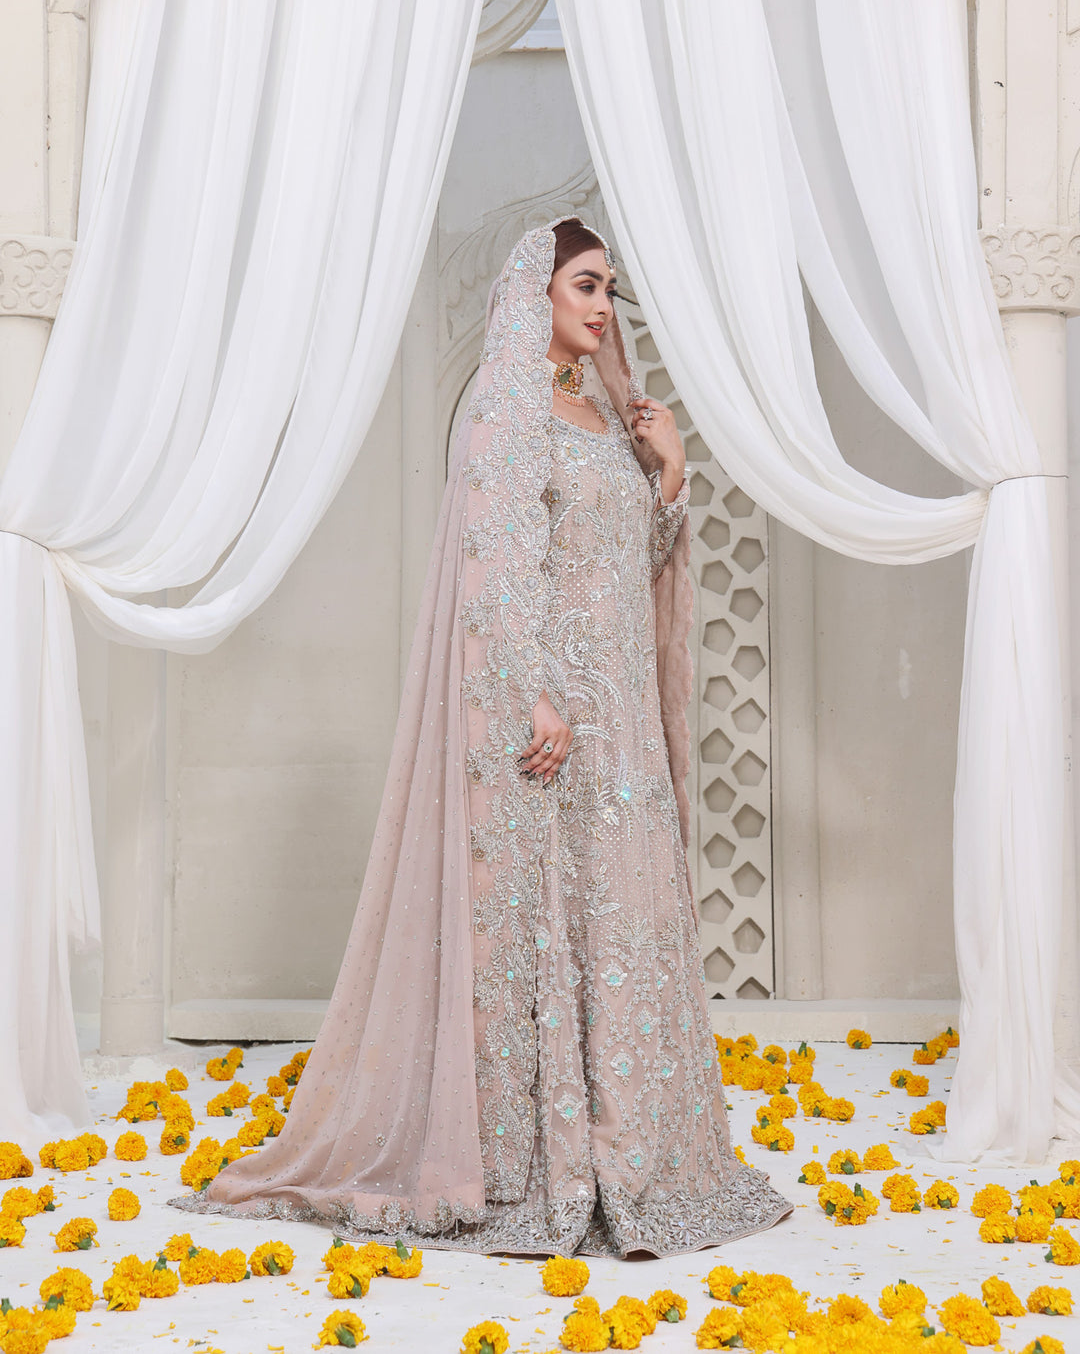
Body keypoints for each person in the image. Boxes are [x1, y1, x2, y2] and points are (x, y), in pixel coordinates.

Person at [173, 217, 790, 1256]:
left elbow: (625, 562)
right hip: (555, 715)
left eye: (609, 289)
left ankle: (634, 1147)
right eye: (585, 285)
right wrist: (532, 694)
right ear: (536, 292)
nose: (602, 306)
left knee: (624, 923)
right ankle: (543, 1156)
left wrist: (669, 472)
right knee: (556, 920)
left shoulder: (606, 414)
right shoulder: (506, 407)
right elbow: (494, 566)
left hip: (624, 722)